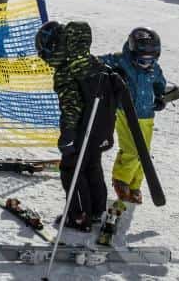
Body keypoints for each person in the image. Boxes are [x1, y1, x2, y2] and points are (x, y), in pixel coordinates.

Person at [36, 20, 121, 231]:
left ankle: (79, 216)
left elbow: (71, 107)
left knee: (71, 169)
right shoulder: (95, 63)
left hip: (83, 129)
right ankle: (96, 211)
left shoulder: (66, 70)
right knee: (92, 166)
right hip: (102, 129)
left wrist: (68, 134)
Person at [101, 28, 167, 205]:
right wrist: (109, 72)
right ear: (132, 52)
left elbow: (160, 84)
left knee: (144, 153)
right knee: (133, 149)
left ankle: (134, 184)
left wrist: (161, 97)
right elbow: (98, 63)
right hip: (126, 111)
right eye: (142, 59)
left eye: (151, 59)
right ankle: (121, 179)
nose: (147, 63)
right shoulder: (121, 61)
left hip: (147, 115)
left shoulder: (155, 69)